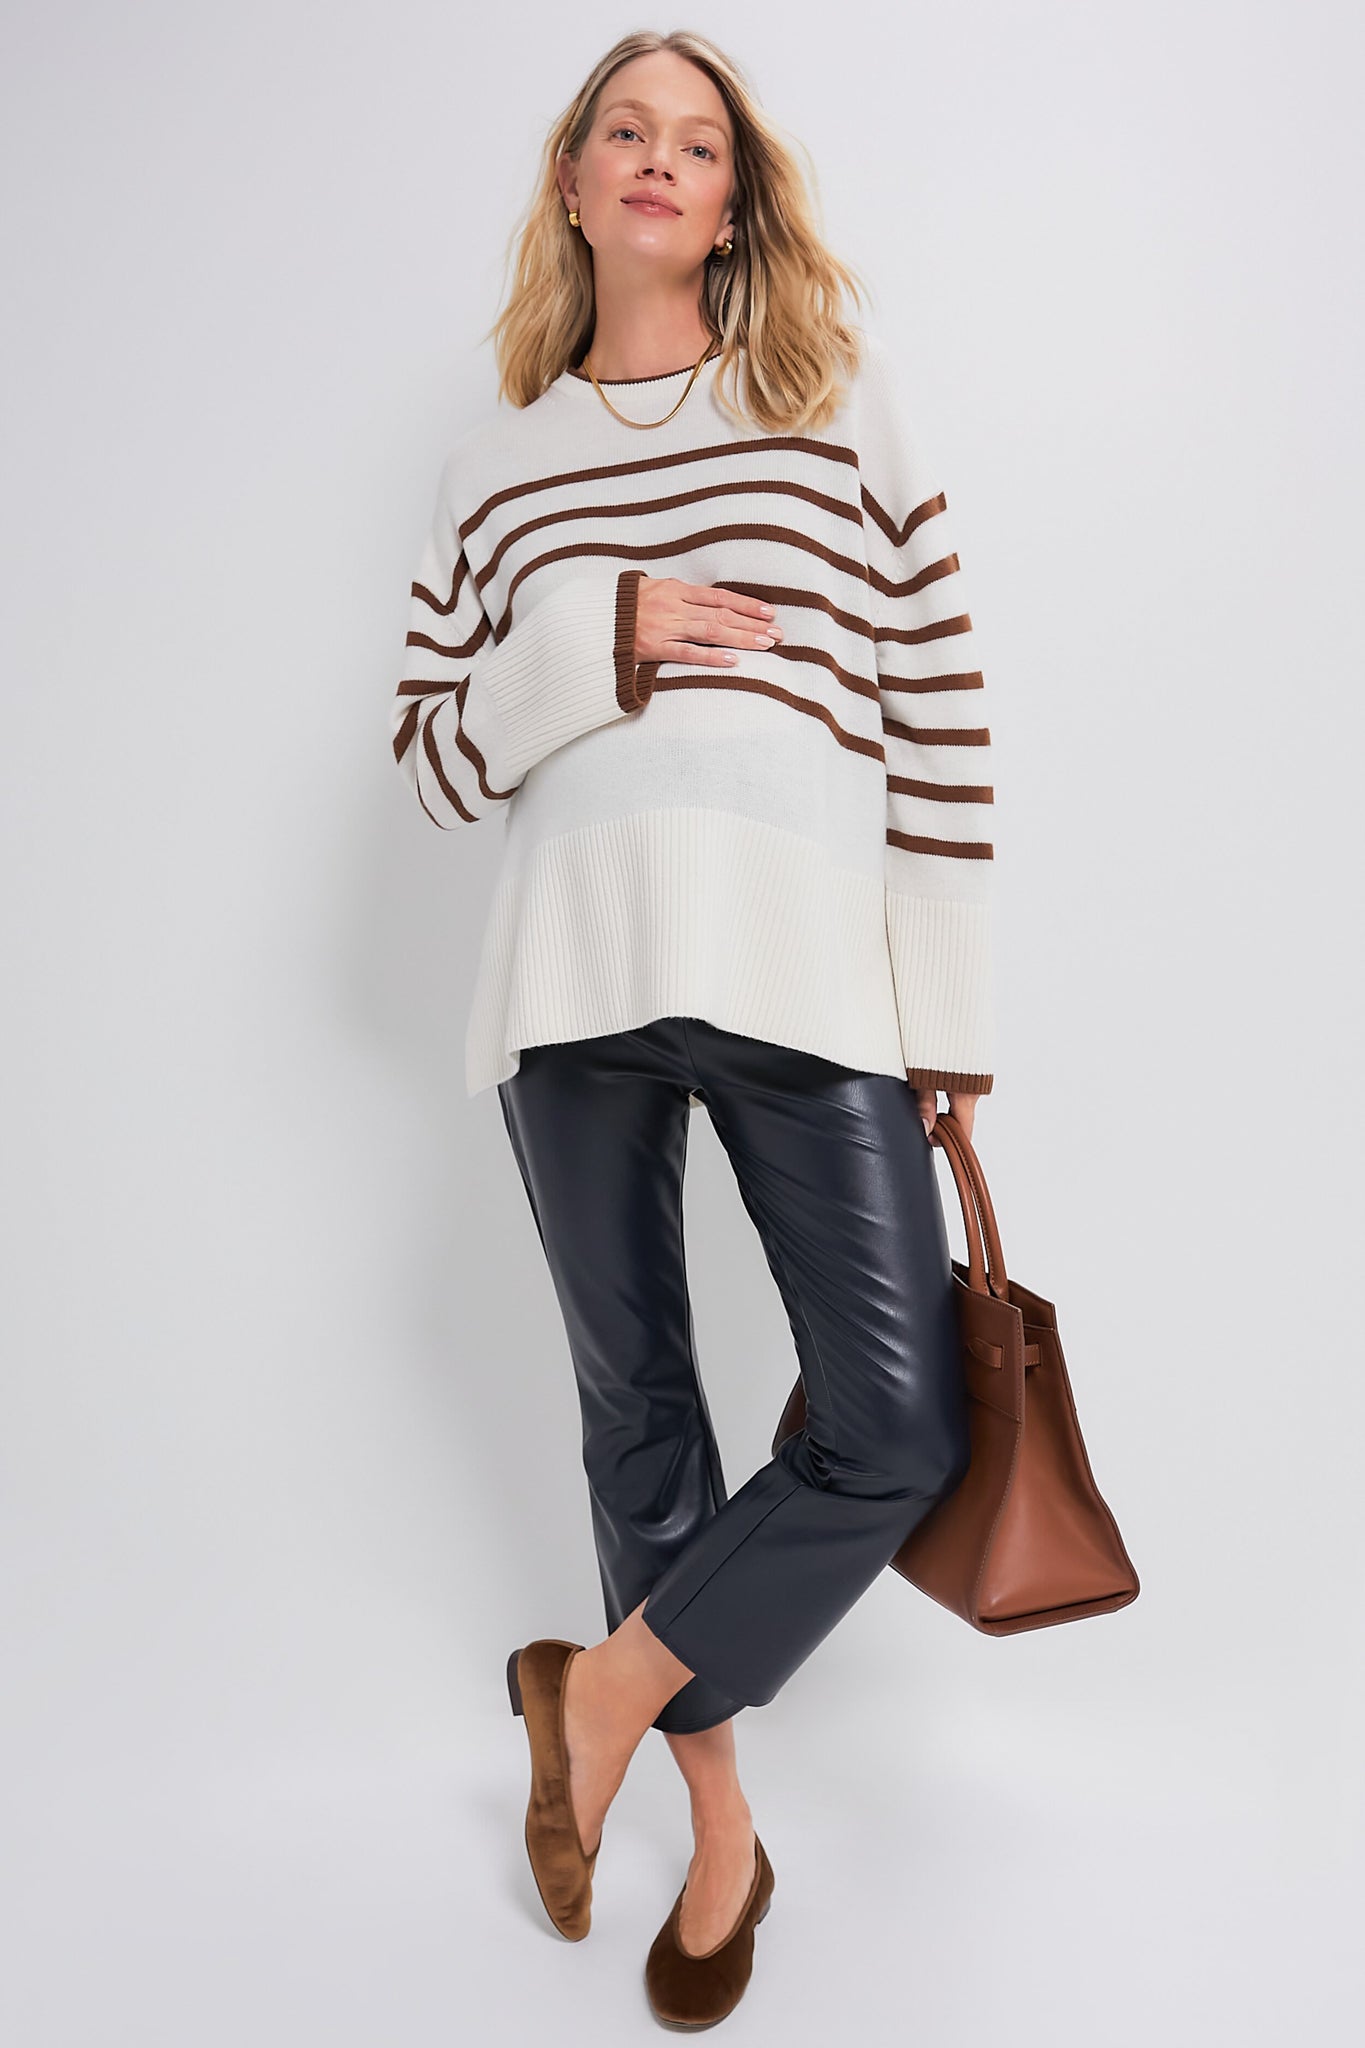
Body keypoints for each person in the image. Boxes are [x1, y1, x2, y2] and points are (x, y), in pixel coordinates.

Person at [390, 28, 997, 2029]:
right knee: (636, 1416)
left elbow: (937, 704)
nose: (659, 160)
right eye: (623, 132)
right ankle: (720, 1835)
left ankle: (599, 1692)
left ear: (733, 203)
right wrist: (599, 637)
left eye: (698, 142)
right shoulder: (493, 462)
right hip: (569, 980)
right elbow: (430, 765)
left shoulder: (831, 402)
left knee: (894, 1426)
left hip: (801, 965)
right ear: (573, 182)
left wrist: (943, 1010)